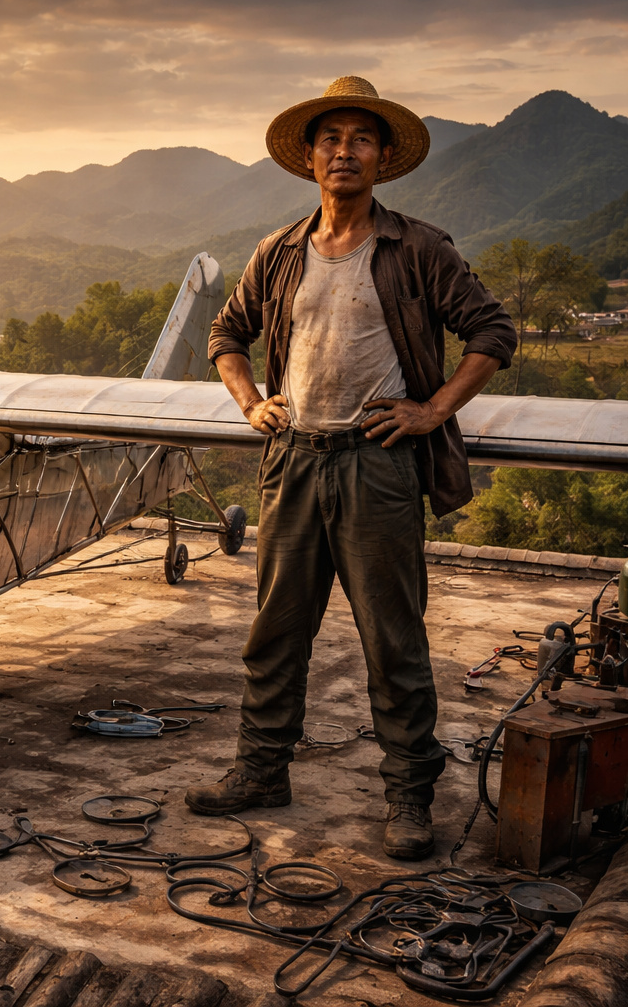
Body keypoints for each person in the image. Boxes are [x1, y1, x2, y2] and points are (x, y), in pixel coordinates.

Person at [186, 76, 517, 860]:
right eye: (330, 138)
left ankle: (409, 799)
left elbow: (492, 332)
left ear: (381, 157)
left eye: (360, 138)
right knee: (275, 632)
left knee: (392, 640)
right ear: (309, 158)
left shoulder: (418, 248)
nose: (344, 151)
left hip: (379, 466)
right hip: (295, 462)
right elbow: (225, 337)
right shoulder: (279, 253)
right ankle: (261, 771)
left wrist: (433, 409)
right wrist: (250, 403)